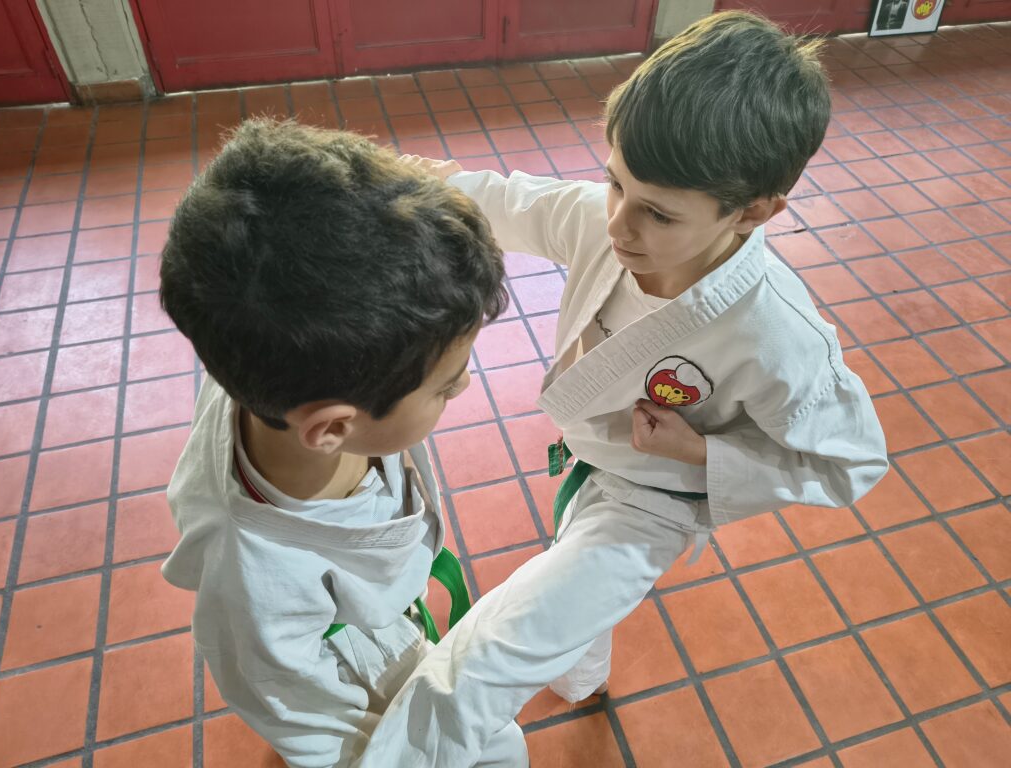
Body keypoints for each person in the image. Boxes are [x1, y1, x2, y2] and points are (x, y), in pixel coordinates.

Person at [362, 11, 889, 766]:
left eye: (658, 212)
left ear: (753, 212)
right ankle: (585, 682)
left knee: (482, 662)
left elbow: (851, 463)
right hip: (595, 459)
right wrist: (372, 181)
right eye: (614, 181)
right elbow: (496, 199)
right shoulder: (601, 220)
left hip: (656, 499)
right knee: (571, 597)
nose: (619, 224)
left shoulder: (778, 334)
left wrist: (702, 454)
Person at [158, 118, 527, 768]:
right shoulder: (252, 571)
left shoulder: (271, 361)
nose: (464, 386)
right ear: (331, 428)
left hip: (383, 611)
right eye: (444, 387)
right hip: (360, 669)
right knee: (496, 749)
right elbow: (293, 707)